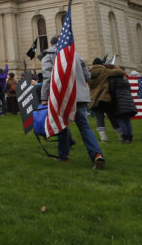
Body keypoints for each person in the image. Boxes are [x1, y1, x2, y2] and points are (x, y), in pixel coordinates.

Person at [41, 37, 105, 168]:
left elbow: (47, 78)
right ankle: (97, 155)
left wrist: (43, 97)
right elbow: (87, 76)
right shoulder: (76, 54)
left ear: (52, 44)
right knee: (85, 127)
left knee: (61, 126)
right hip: (80, 96)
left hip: (62, 97)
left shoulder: (48, 55)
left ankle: (63, 156)